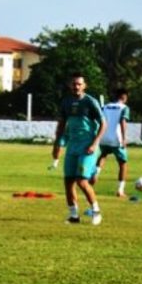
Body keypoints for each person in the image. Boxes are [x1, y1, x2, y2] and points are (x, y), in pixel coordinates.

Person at [52, 73, 106, 225]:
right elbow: (62, 123)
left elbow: (104, 124)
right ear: (70, 85)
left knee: (82, 181)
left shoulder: (90, 102)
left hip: (88, 147)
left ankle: (96, 211)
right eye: (74, 84)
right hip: (72, 146)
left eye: (79, 84)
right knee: (68, 181)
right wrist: (58, 142)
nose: (76, 87)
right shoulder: (66, 102)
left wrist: (95, 143)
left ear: (84, 86)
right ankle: (74, 216)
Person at [92, 89, 130, 197]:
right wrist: (124, 138)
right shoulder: (124, 108)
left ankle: (95, 174)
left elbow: (98, 120)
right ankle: (120, 190)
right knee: (123, 163)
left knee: (103, 156)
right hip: (116, 139)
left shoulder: (106, 106)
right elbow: (123, 121)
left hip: (103, 137)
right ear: (124, 97)